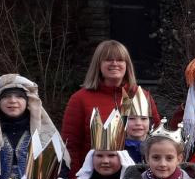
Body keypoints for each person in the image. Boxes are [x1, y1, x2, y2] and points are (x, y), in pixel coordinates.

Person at [62, 40, 161, 171]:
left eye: (120, 60)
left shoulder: (142, 95)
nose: (114, 63)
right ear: (98, 64)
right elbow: (71, 146)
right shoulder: (80, 99)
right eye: (108, 60)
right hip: (95, 178)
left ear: (127, 65)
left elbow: (158, 136)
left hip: (139, 176)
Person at [0, 74, 59, 179]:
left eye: (19, 96)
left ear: (27, 101)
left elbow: (58, 170)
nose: (13, 100)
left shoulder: (43, 132)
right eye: (6, 96)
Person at [120, 87, 154, 164]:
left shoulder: (157, 146)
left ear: (149, 122)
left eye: (143, 118)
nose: (138, 123)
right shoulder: (118, 148)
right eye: (131, 118)